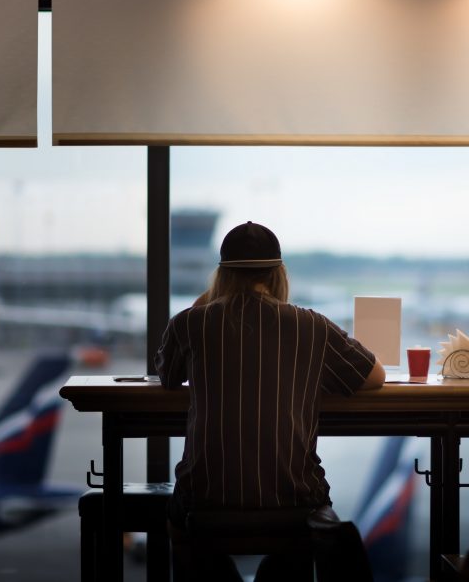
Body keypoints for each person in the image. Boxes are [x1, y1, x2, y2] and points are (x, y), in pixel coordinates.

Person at [155, 221, 385, 581]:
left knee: (179, 523)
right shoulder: (312, 326)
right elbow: (375, 377)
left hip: (204, 500)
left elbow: (167, 376)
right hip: (295, 500)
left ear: (221, 276)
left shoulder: (190, 323)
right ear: (279, 274)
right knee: (292, 552)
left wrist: (208, 300)